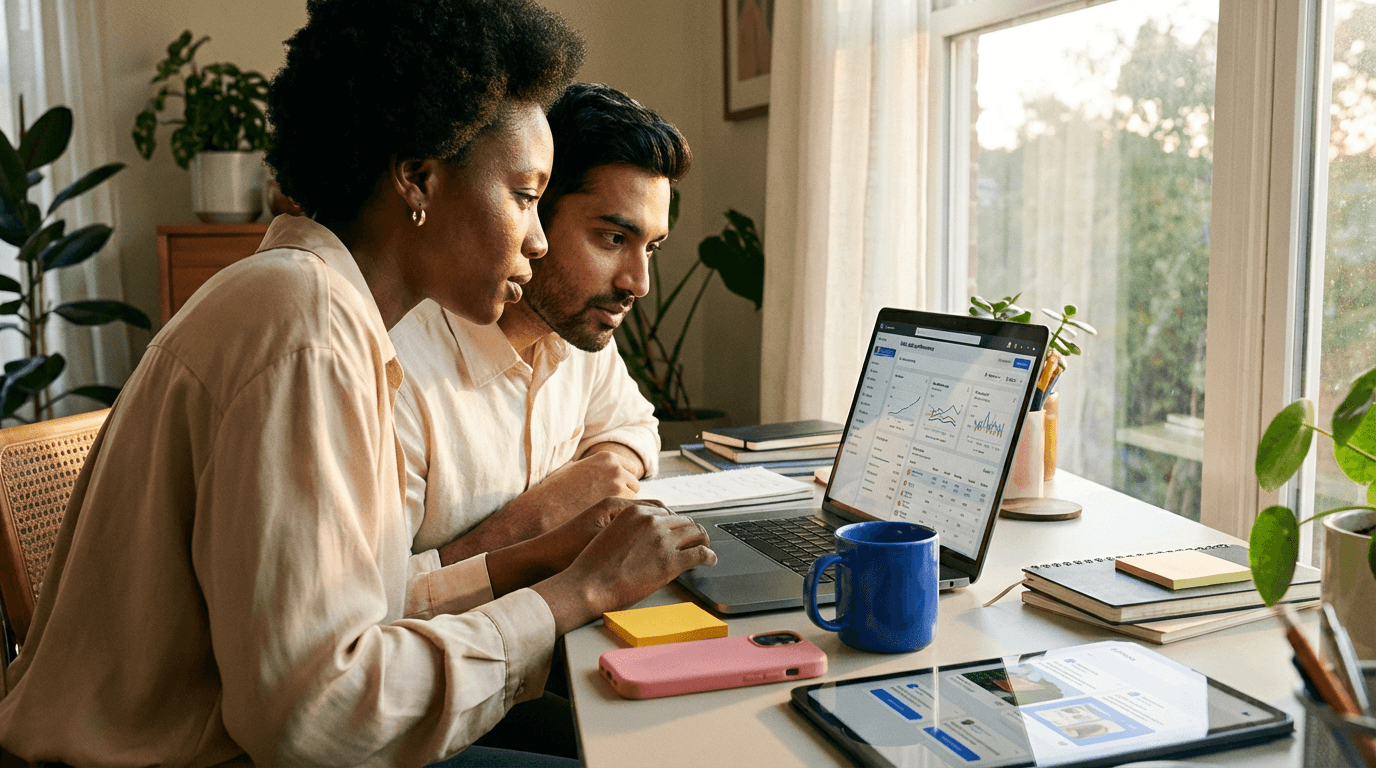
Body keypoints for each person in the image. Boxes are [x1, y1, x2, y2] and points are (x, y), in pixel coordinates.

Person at [0, 2, 714, 765]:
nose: (536, 240)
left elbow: (347, 621)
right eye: (524, 196)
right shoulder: (303, 326)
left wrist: (545, 563)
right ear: (419, 178)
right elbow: (319, 716)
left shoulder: (320, 310)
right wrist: (579, 592)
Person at [392, 83, 691, 609]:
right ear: (532, 210)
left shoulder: (574, 328)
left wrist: (599, 473)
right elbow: (372, 609)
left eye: (652, 247)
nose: (638, 282)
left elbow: (634, 427)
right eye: (613, 239)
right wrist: (532, 525)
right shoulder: (397, 369)